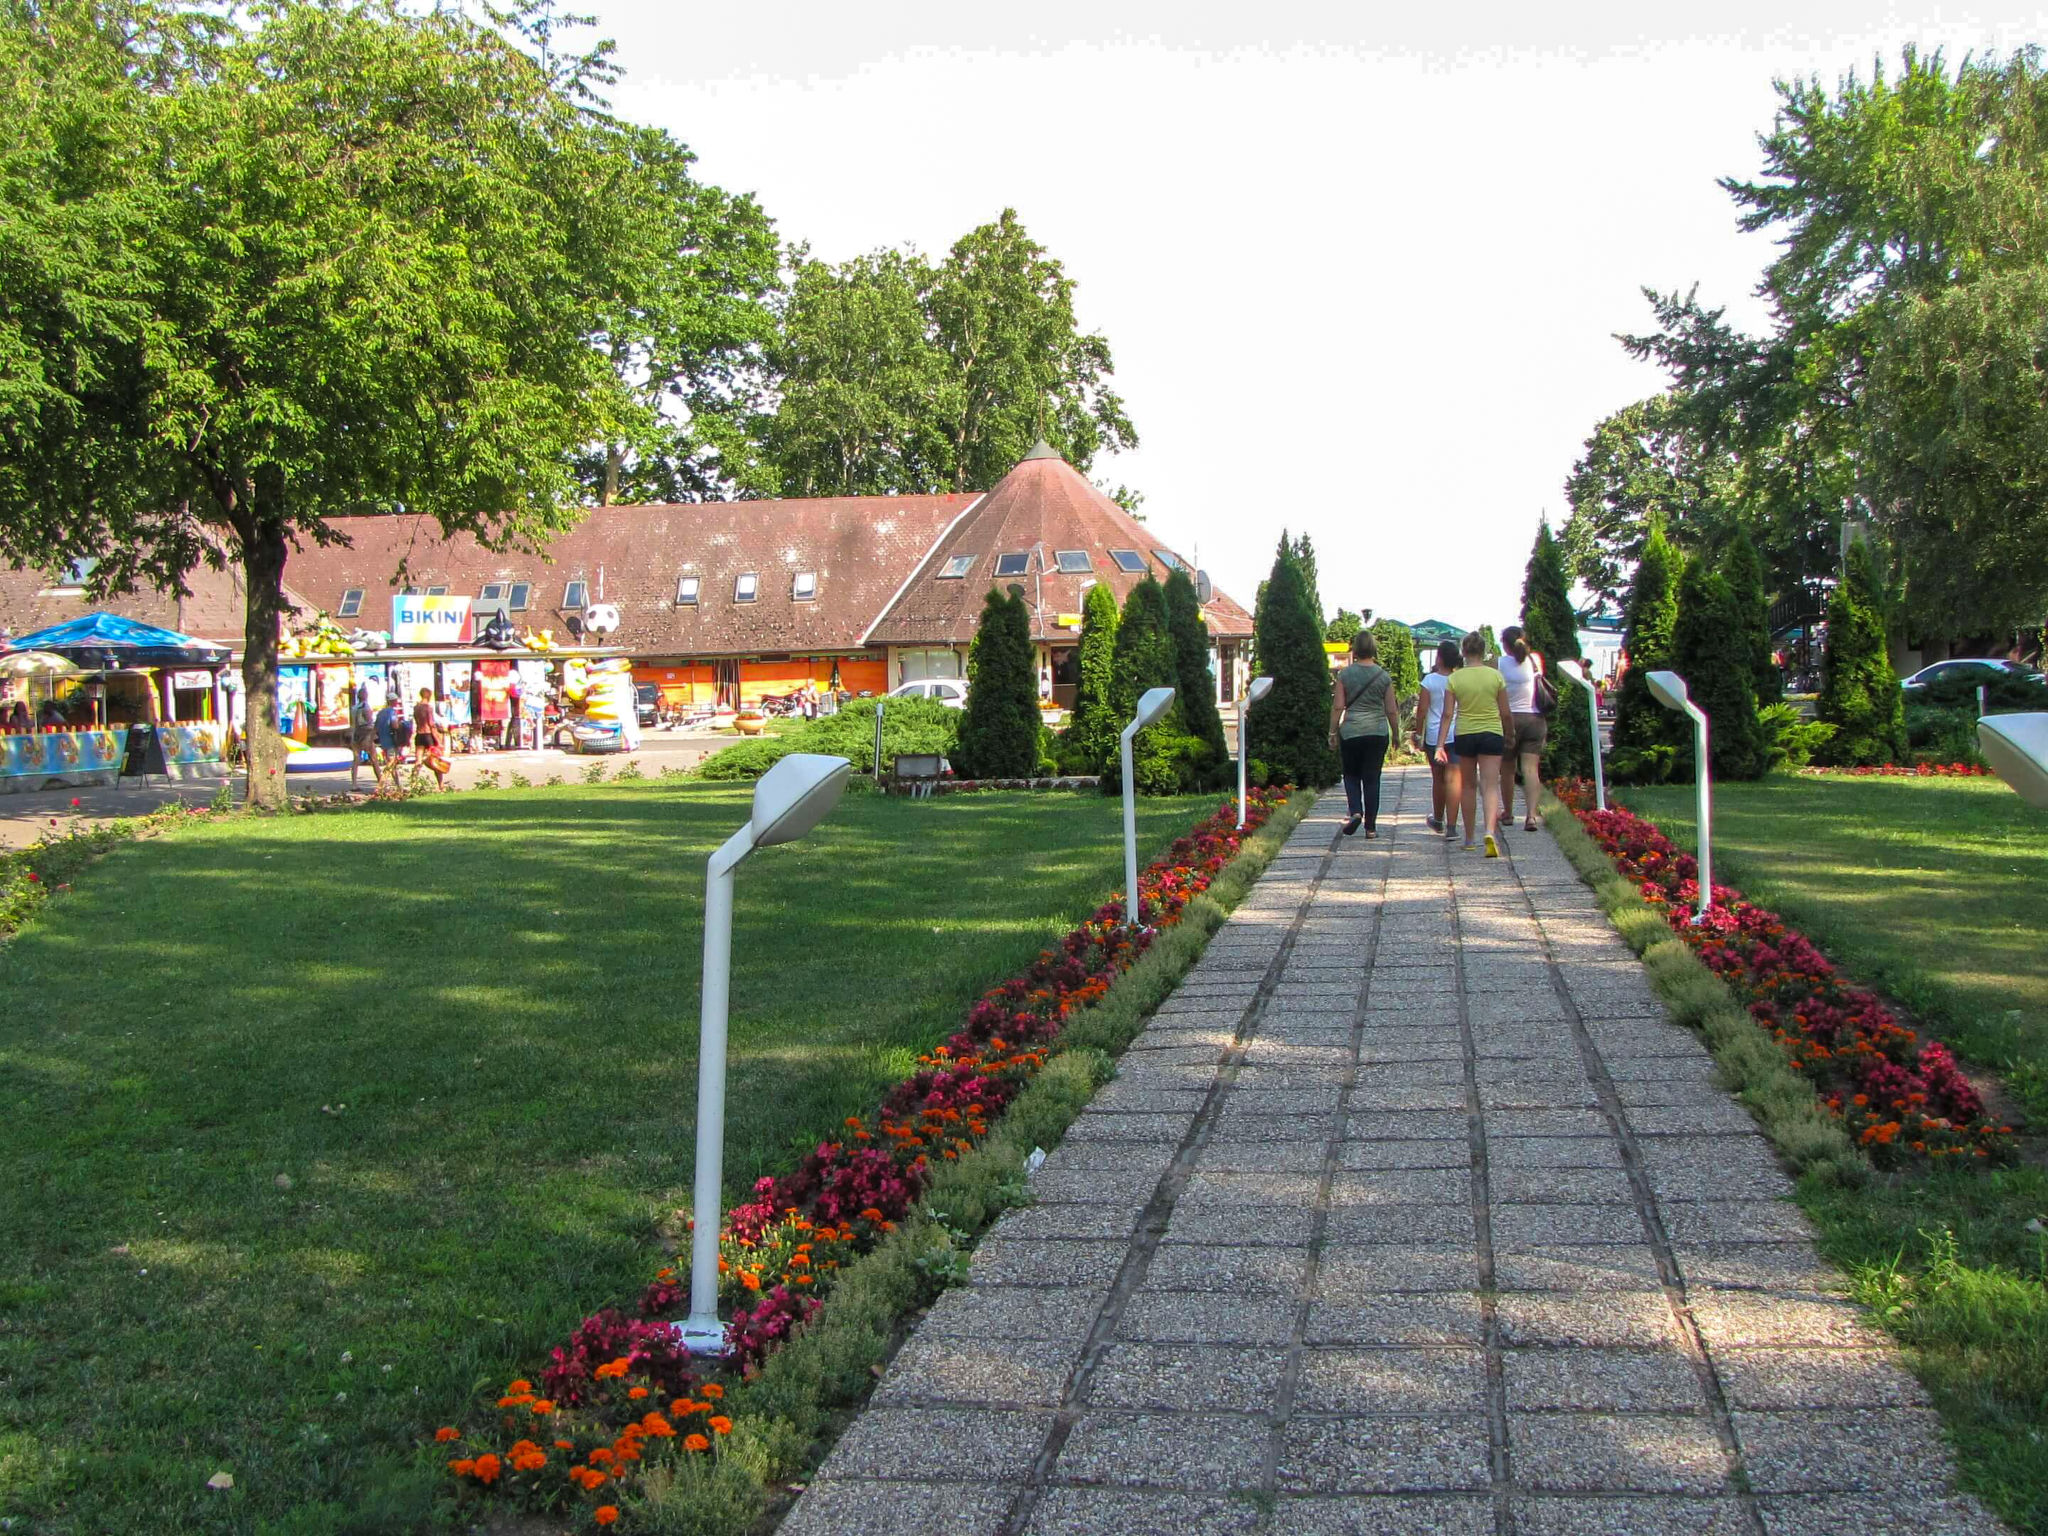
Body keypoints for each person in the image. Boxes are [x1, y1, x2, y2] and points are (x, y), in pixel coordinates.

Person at [1437, 630, 1513, 857]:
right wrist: (1510, 733)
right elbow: (1506, 712)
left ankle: (1469, 838)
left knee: (1468, 786)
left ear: (1464, 652)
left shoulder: (1454, 678)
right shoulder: (1495, 676)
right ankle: (1489, 831)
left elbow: (1448, 714)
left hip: (1466, 733)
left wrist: (1440, 744)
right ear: (1483, 651)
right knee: (1490, 785)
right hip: (1492, 732)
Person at [1326, 630, 1401, 838]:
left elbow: (1338, 706)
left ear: (1356, 649)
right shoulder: (1383, 676)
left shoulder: (1345, 675)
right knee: (1372, 778)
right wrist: (1396, 734)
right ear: (1373, 649)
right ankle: (1371, 828)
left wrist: (1332, 731)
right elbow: (1391, 710)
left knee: (1350, 774)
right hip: (1377, 732)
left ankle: (1356, 811)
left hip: (1351, 732)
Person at [1497, 624, 1549, 833]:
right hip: (1535, 719)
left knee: (1507, 769)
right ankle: (1531, 816)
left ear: (1505, 645)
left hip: (1510, 719)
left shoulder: (1499, 664)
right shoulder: (1535, 660)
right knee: (1530, 770)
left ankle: (1508, 813)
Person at [1413, 640, 1461, 832]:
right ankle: (1452, 825)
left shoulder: (1429, 681)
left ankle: (1438, 818)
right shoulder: (1457, 680)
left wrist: (1418, 733)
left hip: (1434, 735)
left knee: (1438, 778)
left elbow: (1422, 710)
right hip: (1456, 733)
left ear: (1439, 658)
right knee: (1454, 779)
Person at [413, 687, 447, 790]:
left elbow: (416, 720)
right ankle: (441, 785)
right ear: (429, 696)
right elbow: (431, 724)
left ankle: (413, 782)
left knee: (418, 760)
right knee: (435, 759)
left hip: (419, 734)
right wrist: (438, 740)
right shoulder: (428, 708)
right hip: (428, 735)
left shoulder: (416, 707)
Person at [372, 692, 404, 788]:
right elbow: (395, 725)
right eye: (395, 700)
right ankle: (381, 784)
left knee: (392, 763)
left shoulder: (381, 712)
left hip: (383, 740)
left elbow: (375, 728)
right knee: (391, 762)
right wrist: (401, 726)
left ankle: (398, 786)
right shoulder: (392, 712)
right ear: (393, 701)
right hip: (391, 740)